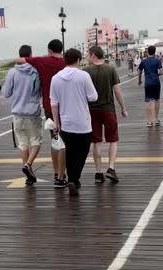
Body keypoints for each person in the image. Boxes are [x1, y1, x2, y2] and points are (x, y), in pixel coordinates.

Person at [16, 39, 66, 186]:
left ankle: (56, 173)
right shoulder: (64, 63)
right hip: (67, 107)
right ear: (61, 50)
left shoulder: (42, 61)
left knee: (55, 140)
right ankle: (63, 174)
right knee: (66, 142)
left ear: (49, 50)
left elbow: (19, 60)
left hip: (49, 106)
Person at [51, 48, 98, 195]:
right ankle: (74, 179)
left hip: (66, 122)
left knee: (70, 152)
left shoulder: (56, 78)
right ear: (78, 60)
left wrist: (56, 123)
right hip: (82, 122)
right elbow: (93, 97)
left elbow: (54, 102)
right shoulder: (84, 76)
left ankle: (73, 179)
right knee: (82, 152)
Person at [84, 46, 128, 184]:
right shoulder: (110, 69)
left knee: (96, 141)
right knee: (112, 139)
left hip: (92, 111)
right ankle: (111, 168)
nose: (86, 56)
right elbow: (117, 91)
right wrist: (123, 108)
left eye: (88, 54)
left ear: (93, 56)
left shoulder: (85, 72)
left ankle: (98, 172)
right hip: (108, 109)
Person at [2, 45, 43, 186]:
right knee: (36, 141)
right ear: (30, 55)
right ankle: (29, 164)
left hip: (17, 113)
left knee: (23, 143)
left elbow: (6, 93)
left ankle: (27, 173)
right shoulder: (36, 71)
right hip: (33, 112)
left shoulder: (13, 72)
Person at [138, 45, 163, 127]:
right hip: (156, 82)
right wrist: (156, 74)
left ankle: (149, 121)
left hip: (148, 83)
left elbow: (139, 71)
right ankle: (156, 119)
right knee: (157, 100)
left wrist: (139, 80)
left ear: (147, 52)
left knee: (149, 101)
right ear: (154, 51)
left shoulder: (143, 61)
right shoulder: (157, 61)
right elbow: (162, 72)